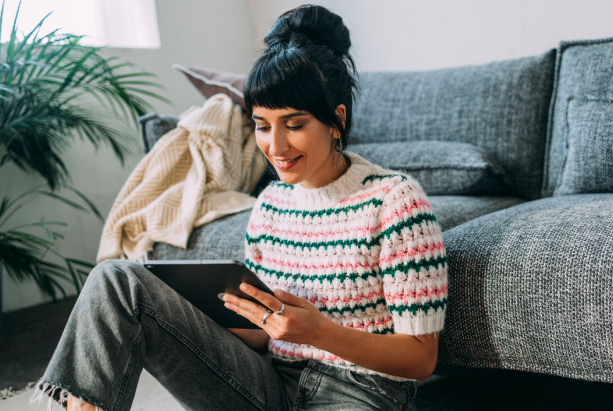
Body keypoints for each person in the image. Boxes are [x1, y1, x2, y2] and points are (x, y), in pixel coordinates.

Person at [33, 4, 448, 411]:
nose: (276, 146)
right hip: (269, 382)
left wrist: (320, 332)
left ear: (336, 119)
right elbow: (260, 339)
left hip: (361, 391)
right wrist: (195, 312)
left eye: (295, 124)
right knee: (116, 280)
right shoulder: (270, 206)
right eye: (263, 126)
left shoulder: (395, 202)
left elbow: (420, 358)